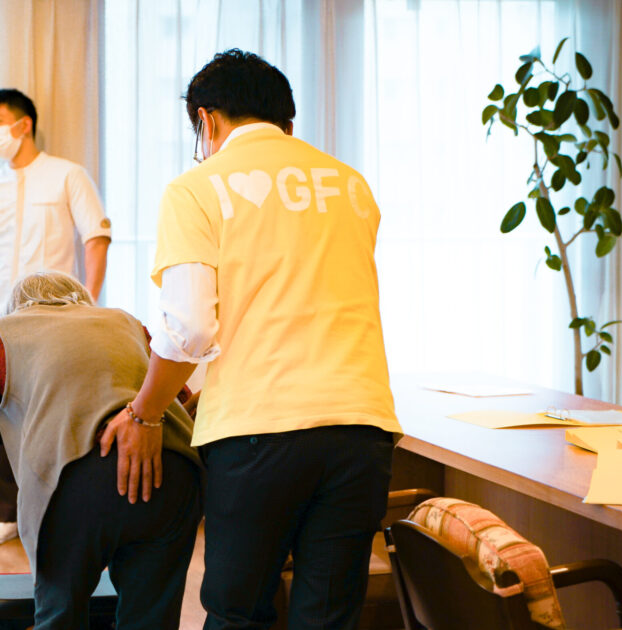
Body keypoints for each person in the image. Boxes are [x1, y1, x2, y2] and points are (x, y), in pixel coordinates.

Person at [100, 49, 403, 629]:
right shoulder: (353, 185)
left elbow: (190, 326)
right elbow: (298, 296)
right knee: (329, 617)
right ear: (287, 120)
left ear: (207, 120)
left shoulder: (197, 188)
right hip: (361, 428)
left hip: (259, 433)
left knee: (239, 613)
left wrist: (145, 413)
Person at [0, 271, 201, 630]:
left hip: (78, 479)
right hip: (172, 469)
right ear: (81, 299)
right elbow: (178, 394)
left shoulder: (6, 331)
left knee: (60, 615)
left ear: (18, 308)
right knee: (150, 620)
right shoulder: (126, 322)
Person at [0, 88, 112, 546]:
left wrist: (86, 303)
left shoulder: (68, 175)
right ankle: (2, 513)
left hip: (56, 321)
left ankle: (58, 515)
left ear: (23, 124)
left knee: (54, 413)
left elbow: (96, 238)